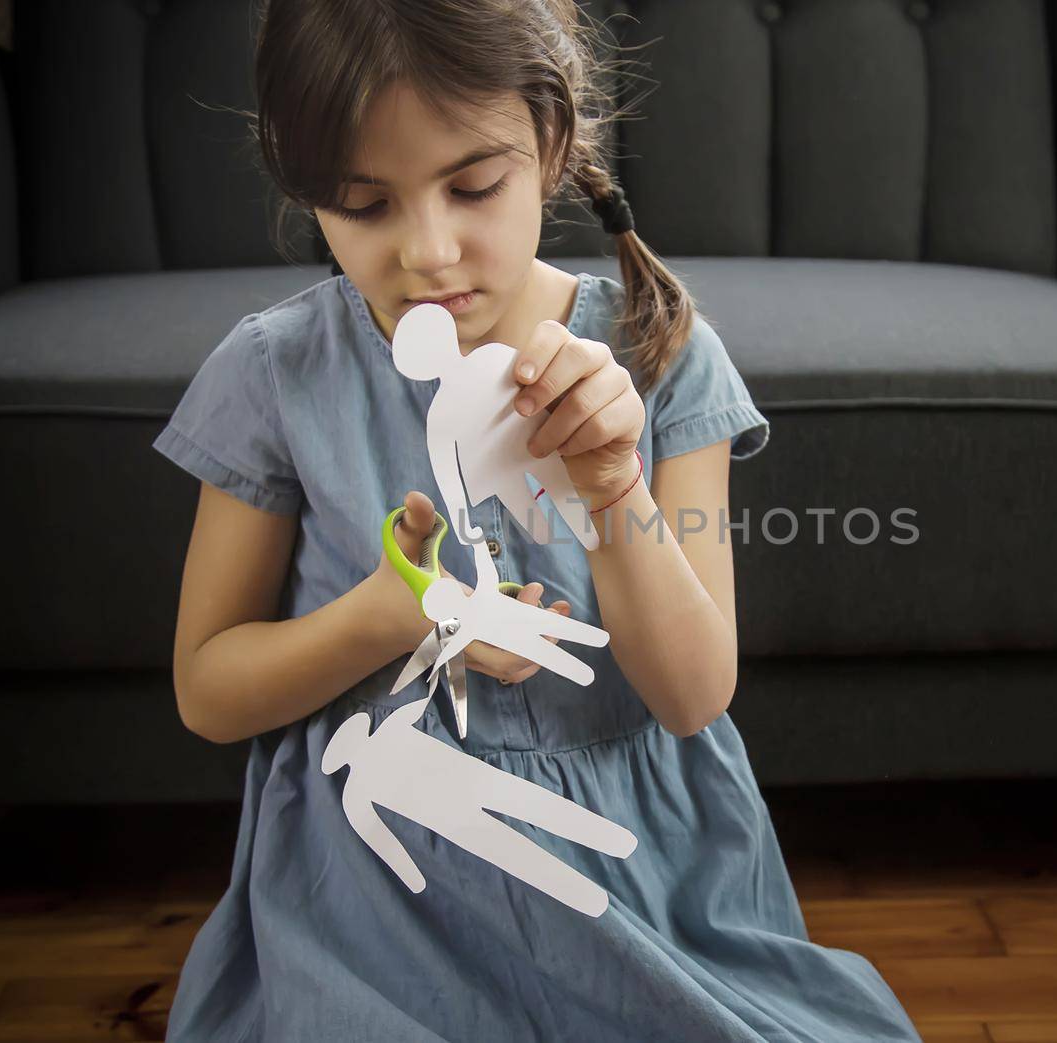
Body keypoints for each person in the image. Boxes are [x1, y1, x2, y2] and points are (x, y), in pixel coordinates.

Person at [151, 0, 922, 1038]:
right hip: (383, 877)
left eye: (473, 186)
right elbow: (208, 688)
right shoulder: (276, 372)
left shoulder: (659, 356)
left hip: (637, 868)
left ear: (553, 145)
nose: (428, 252)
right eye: (361, 205)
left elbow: (694, 693)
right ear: (305, 194)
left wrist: (614, 486)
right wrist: (392, 615)